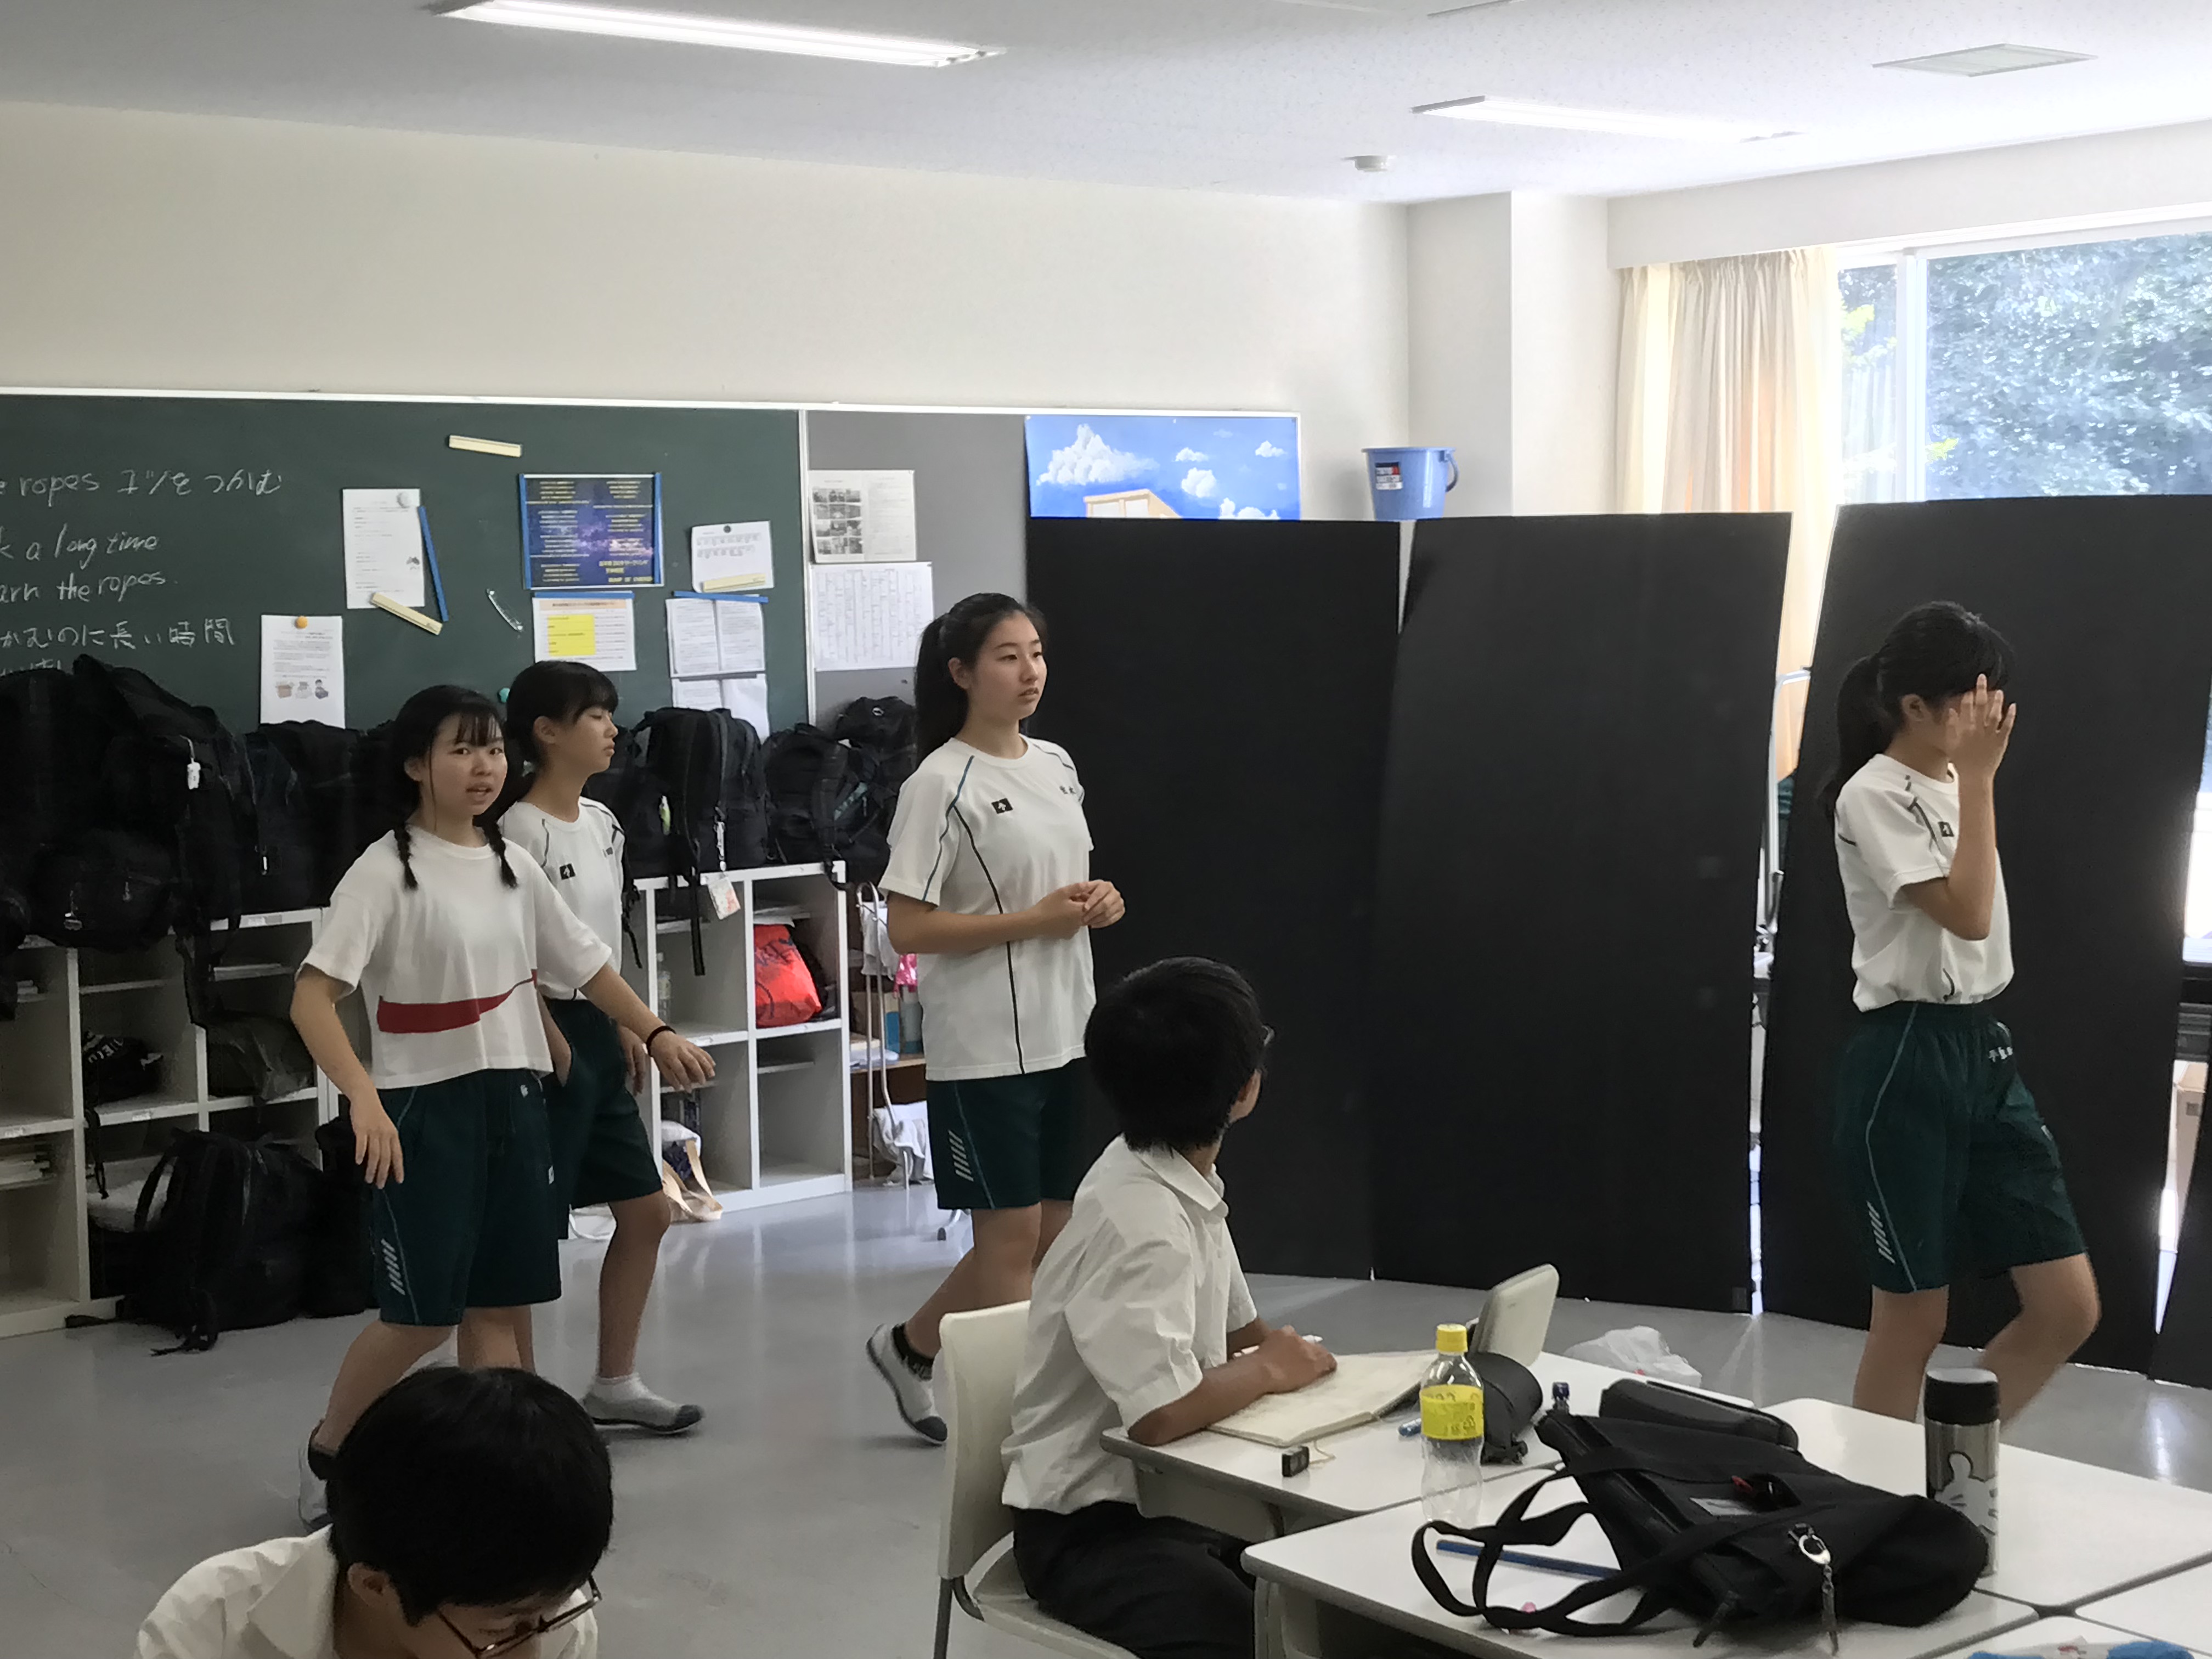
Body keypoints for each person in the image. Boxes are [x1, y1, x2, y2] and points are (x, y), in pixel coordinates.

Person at [290, 685, 714, 1527]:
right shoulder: (384, 870)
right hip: (424, 1116)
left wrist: (655, 1029)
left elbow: (588, 966)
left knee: (497, 1304)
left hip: (514, 1106)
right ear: (418, 766)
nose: (484, 767)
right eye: (461, 750)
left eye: (491, 749)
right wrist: (364, 1100)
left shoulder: (511, 864)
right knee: (422, 1319)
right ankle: (329, 1452)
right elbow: (311, 997)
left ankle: (509, 1485)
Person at [1002, 957, 1334, 1659]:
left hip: (1180, 1500)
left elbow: (1245, 1334)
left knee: (1334, 1596)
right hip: (1093, 1530)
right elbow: (1159, 1415)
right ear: (1245, 1091)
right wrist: (1271, 1369)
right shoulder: (1142, 1224)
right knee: (1260, 1638)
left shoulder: (1176, 1180)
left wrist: (1304, 1368)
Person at [1824, 601, 2100, 1422]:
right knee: (1913, 1320)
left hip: (1982, 1049)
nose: (1988, 718)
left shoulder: (1952, 783)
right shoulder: (1873, 794)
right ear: (1914, 706)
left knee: (2067, 1307)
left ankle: (1946, 1468)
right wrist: (1979, 782)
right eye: (1970, 701)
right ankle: (1874, 1492)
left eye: (1993, 699)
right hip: (1904, 1056)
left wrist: (1970, 783)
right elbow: (1968, 915)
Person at [863, 592, 1126, 1443]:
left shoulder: (1055, 763)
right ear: (962, 674)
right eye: (1008, 657)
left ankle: (911, 1347)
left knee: (1048, 1232)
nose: (1030, 671)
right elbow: (908, 928)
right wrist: (1031, 922)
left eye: (1037, 653)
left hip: (1067, 1031)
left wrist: (1099, 900)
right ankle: (1018, 1433)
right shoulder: (939, 784)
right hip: (984, 1049)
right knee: (1010, 1238)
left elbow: (1059, 885)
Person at [455, 661, 701, 1436]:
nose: (611, 729)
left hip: (595, 1027)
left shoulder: (602, 822)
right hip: (539, 1037)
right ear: (546, 733)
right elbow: (513, 952)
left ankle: (615, 1383)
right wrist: (552, 1038)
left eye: (609, 714)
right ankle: (519, 1409)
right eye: (594, 715)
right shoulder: (516, 832)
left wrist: (627, 1022)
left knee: (648, 1211)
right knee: (526, 1236)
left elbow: (594, 942)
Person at [137, 1366, 609, 1658]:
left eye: (549, 1614)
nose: (532, 1652)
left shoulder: (552, 1616)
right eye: (500, 1632)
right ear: (376, 1586)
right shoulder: (214, 1626)